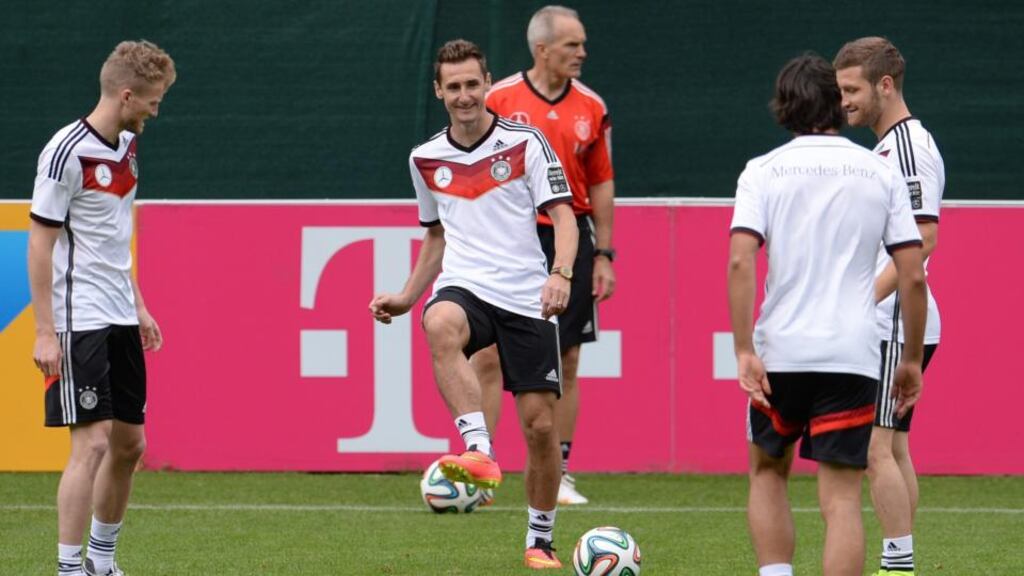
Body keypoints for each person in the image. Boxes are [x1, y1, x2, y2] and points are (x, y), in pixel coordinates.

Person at [368, 39, 578, 570]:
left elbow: (566, 217)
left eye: (472, 84)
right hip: (467, 286)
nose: (464, 96)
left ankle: (540, 537)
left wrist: (560, 274)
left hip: (527, 295)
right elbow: (435, 238)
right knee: (437, 321)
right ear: (439, 91)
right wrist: (407, 295)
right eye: (453, 86)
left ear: (488, 84)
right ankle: (477, 448)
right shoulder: (425, 157)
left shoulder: (525, 143)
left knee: (540, 428)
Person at [728, 53, 928, 576]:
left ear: (784, 106)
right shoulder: (879, 171)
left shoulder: (762, 171)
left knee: (768, 472)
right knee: (841, 498)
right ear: (837, 103)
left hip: (783, 351)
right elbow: (912, 273)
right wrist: (909, 360)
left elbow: (739, 259)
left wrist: (744, 348)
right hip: (854, 354)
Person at [28, 40, 175, 576]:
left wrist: (138, 304)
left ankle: (101, 563)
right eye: (153, 102)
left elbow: (114, 238)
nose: (155, 112)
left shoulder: (127, 148)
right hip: (78, 319)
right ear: (128, 94)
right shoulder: (66, 150)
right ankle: (68, 570)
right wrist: (45, 332)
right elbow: (39, 241)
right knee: (90, 444)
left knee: (131, 445)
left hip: (117, 314)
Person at [479, 4, 616, 506]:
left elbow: (601, 182)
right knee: (489, 353)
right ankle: (482, 468)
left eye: (581, 44)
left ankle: (558, 472)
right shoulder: (499, 99)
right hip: (510, 236)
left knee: (567, 357)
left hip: (569, 237)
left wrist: (604, 253)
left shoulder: (592, 107)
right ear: (542, 49)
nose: (582, 52)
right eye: (572, 45)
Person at [834, 37, 945, 576]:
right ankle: (900, 560)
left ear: (885, 85)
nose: (844, 101)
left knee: (874, 451)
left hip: (894, 320)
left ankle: (897, 564)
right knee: (894, 448)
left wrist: (859, 298)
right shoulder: (886, 147)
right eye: (840, 91)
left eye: (852, 90)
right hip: (895, 318)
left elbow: (923, 241)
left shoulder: (907, 147)